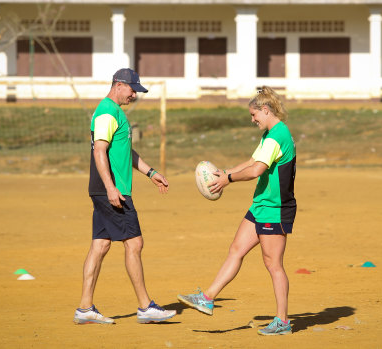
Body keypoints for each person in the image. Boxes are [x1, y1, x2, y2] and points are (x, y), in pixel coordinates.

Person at [177, 86, 297, 336]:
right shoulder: (270, 135)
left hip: (275, 209)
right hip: (261, 206)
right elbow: (252, 161)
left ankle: (283, 321)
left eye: (254, 115)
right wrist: (225, 172)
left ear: (266, 110)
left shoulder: (277, 136)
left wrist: (228, 180)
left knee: (273, 264)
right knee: (236, 249)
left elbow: (256, 171)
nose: (252, 120)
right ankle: (208, 298)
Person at [74, 68, 176, 325]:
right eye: (132, 90)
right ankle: (145, 307)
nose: (134, 95)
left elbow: (125, 152)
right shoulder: (107, 112)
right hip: (112, 190)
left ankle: (85, 309)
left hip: (107, 189)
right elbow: (100, 151)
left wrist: (150, 172)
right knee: (134, 243)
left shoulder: (115, 113)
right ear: (119, 85)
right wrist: (110, 188)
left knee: (101, 244)